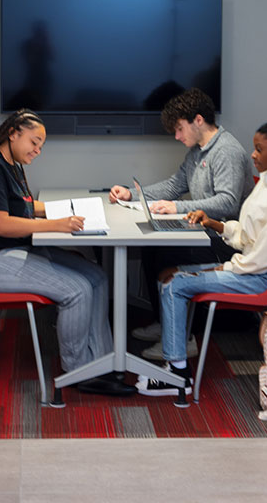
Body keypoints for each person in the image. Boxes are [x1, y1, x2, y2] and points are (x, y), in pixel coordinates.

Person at [135, 121, 267, 403]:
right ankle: (175, 366)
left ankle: (177, 376)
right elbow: (249, 235)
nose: (253, 155)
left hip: (260, 276)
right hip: (251, 268)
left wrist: (222, 267)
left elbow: (264, 254)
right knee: (167, 275)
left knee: (174, 284)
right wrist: (214, 223)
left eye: (259, 149)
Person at [0, 109, 136, 397]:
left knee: (97, 276)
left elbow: (25, 206)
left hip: (17, 251)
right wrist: (58, 225)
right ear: (13, 133)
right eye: (34, 142)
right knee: (77, 290)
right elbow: (1, 224)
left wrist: (74, 206)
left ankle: (103, 364)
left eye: (41, 145)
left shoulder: (11, 164)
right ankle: (78, 371)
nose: (38, 150)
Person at [108, 88, 255, 358]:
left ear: (198, 120)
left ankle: (183, 337)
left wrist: (177, 207)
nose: (176, 137)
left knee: (168, 253)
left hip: (228, 243)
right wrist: (133, 194)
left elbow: (227, 203)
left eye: (179, 129)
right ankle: (166, 322)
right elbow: (176, 185)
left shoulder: (227, 151)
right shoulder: (198, 152)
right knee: (152, 249)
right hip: (206, 234)